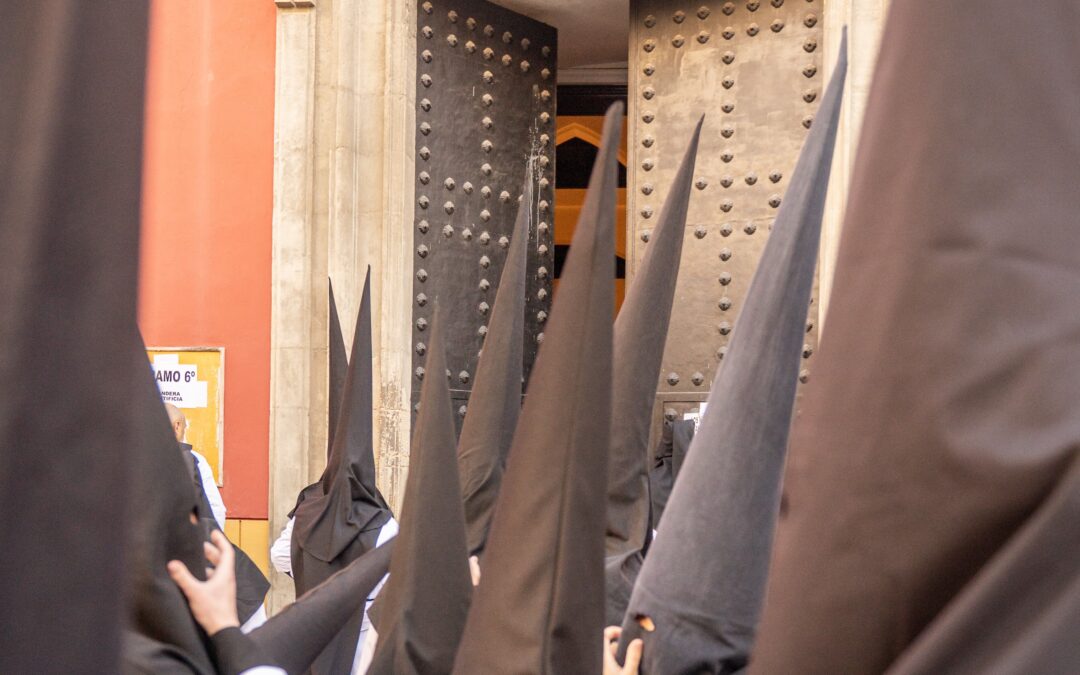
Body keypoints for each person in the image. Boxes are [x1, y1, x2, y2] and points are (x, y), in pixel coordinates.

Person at [166, 403, 226, 528]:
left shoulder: (138, 459)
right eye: (185, 426)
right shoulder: (195, 460)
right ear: (177, 426)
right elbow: (216, 508)